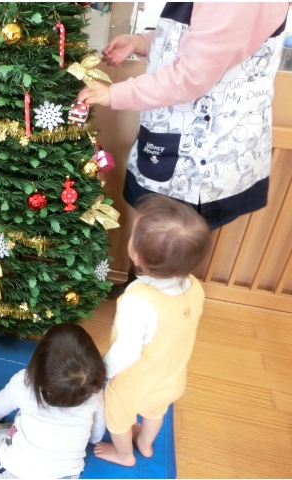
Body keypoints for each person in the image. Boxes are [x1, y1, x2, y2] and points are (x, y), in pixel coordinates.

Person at [78, 2, 289, 231]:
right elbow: (209, 39)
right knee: (161, 240)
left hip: (197, 163)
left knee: (167, 240)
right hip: (181, 148)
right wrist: (141, 42)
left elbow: (193, 75)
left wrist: (116, 94)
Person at [94, 194, 211, 466]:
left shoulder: (138, 301)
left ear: (135, 255)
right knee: (155, 411)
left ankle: (124, 454)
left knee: (117, 416)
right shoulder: (195, 287)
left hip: (135, 383)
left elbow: (127, 351)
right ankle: (145, 444)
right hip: (171, 378)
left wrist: (102, 370)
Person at [0, 323, 106, 479]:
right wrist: (93, 438)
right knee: (31, 425)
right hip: (66, 475)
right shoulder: (94, 392)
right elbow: (96, 434)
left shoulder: (25, 382)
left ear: (38, 361)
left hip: (17, 473)